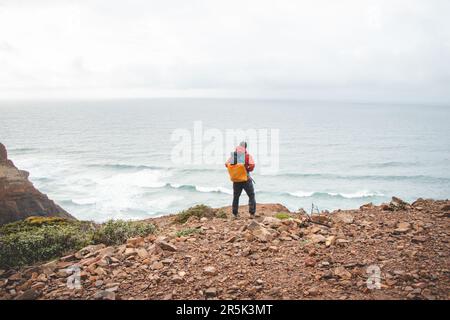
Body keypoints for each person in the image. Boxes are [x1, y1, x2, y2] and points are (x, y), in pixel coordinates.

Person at [225, 141, 256, 218]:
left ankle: (235, 214)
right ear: (245, 147)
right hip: (246, 179)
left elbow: (226, 164)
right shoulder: (247, 156)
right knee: (251, 195)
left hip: (236, 180)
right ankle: (252, 213)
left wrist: (235, 170)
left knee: (236, 196)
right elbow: (252, 164)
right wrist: (248, 169)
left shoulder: (234, 156)